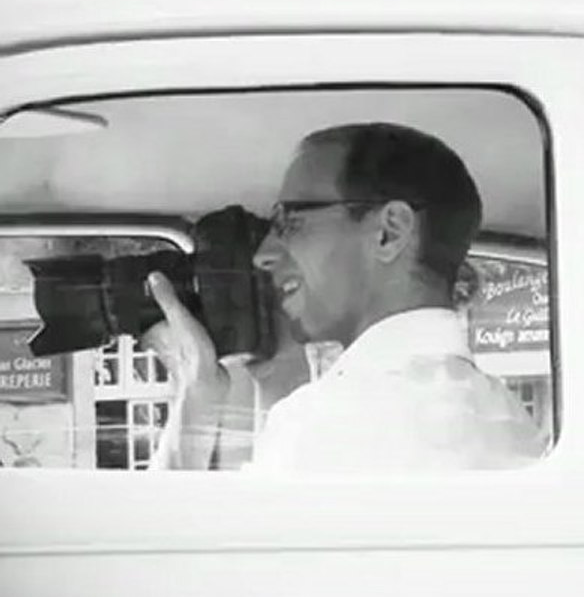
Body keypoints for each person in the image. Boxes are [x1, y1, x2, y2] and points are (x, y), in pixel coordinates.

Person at [146, 122, 548, 473]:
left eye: (290, 222)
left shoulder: (324, 424)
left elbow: (175, 538)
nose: (263, 255)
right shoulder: (511, 422)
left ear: (389, 232)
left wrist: (196, 388)